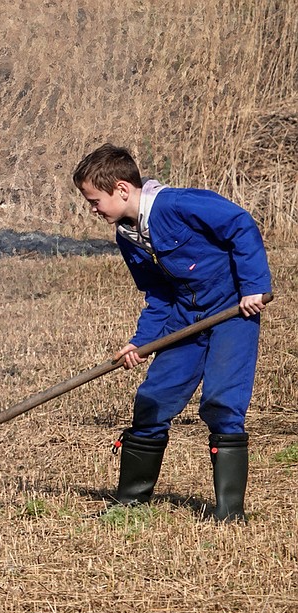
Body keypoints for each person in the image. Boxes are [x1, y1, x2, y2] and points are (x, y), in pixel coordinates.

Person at [72, 143, 271, 522]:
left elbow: (240, 224)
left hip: (232, 312)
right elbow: (159, 295)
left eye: (95, 201)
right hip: (185, 318)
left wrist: (252, 286)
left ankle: (230, 513)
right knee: (152, 399)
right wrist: (140, 342)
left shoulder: (178, 205)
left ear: (122, 189)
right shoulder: (126, 236)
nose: (93, 210)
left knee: (221, 403)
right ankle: (130, 502)